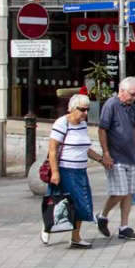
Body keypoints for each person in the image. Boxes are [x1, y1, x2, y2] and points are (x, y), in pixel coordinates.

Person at [45, 95, 107, 249]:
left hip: (80, 171)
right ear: (72, 108)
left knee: (81, 204)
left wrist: (101, 159)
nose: (85, 113)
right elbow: (52, 150)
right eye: (82, 110)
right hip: (66, 170)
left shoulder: (83, 125)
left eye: (87, 109)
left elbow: (85, 148)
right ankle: (47, 226)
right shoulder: (62, 123)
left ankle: (75, 237)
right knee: (63, 203)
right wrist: (55, 172)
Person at [97, 77, 135, 241]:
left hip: (130, 155)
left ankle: (124, 227)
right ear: (122, 91)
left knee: (129, 193)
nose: (134, 98)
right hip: (116, 156)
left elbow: (134, 130)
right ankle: (102, 215)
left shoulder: (131, 108)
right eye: (132, 94)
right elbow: (102, 129)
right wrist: (106, 153)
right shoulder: (111, 105)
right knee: (120, 191)